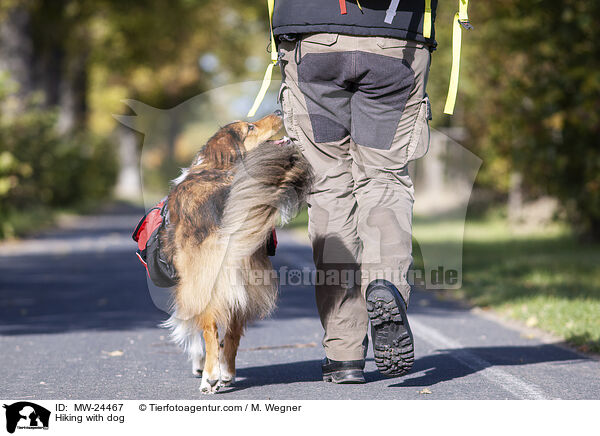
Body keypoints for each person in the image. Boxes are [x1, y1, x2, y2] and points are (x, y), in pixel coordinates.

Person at [273, 0, 437, 383]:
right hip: (396, 41)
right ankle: (386, 283)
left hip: (312, 41)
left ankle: (344, 352)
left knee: (328, 186)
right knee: (384, 178)